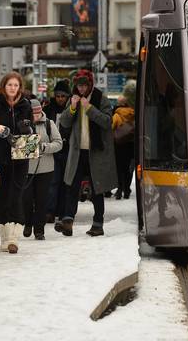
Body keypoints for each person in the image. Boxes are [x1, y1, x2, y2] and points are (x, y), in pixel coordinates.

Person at [60, 69, 117, 237]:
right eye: (79, 85)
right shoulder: (74, 98)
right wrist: (72, 107)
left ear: (90, 85)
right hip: (78, 152)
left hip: (96, 152)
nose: (82, 89)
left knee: (97, 188)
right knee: (72, 186)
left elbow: (107, 122)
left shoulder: (101, 98)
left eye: (84, 85)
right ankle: (68, 221)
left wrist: (89, 108)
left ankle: (98, 223)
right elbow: (64, 122)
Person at [0, 72, 33, 253]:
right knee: (2, 197)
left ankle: (14, 238)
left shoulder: (25, 105)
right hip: (0, 156)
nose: (13, 88)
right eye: (9, 85)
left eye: (15, 85)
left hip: (21, 156)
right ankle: (4, 238)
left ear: (19, 87)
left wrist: (26, 127)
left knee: (16, 195)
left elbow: (31, 128)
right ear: (4, 86)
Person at [23, 99, 62, 240]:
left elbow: (59, 143)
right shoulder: (23, 123)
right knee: (26, 199)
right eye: (33, 112)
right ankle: (28, 222)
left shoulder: (49, 124)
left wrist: (45, 147)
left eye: (38, 111)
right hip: (26, 169)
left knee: (41, 201)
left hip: (45, 169)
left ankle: (39, 230)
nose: (36, 115)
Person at [43, 80, 71, 228]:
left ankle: (62, 211)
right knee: (53, 182)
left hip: (67, 149)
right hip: (53, 149)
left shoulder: (72, 108)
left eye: (63, 96)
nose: (60, 98)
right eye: (58, 95)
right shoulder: (48, 109)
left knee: (65, 182)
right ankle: (49, 211)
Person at [112, 80, 136, 199]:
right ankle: (127, 189)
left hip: (119, 145)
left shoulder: (117, 114)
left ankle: (120, 189)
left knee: (119, 168)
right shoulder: (134, 113)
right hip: (130, 144)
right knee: (128, 169)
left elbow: (111, 127)